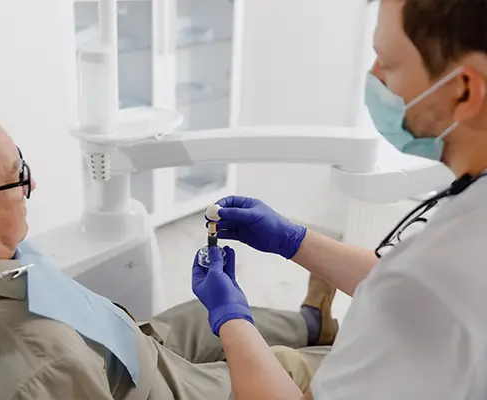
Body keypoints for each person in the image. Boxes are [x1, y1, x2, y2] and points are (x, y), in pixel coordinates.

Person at [0, 91, 337, 400]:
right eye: (15, 176)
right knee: (300, 368)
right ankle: (323, 351)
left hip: (118, 340)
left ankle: (312, 321)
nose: (32, 183)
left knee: (205, 315)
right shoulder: (41, 366)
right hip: (141, 386)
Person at [191, 0, 487, 398]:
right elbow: (413, 289)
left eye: (388, 63)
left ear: (464, 91)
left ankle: (309, 324)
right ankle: (313, 322)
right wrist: (293, 240)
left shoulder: (433, 275)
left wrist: (230, 318)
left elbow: (422, 289)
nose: (375, 78)